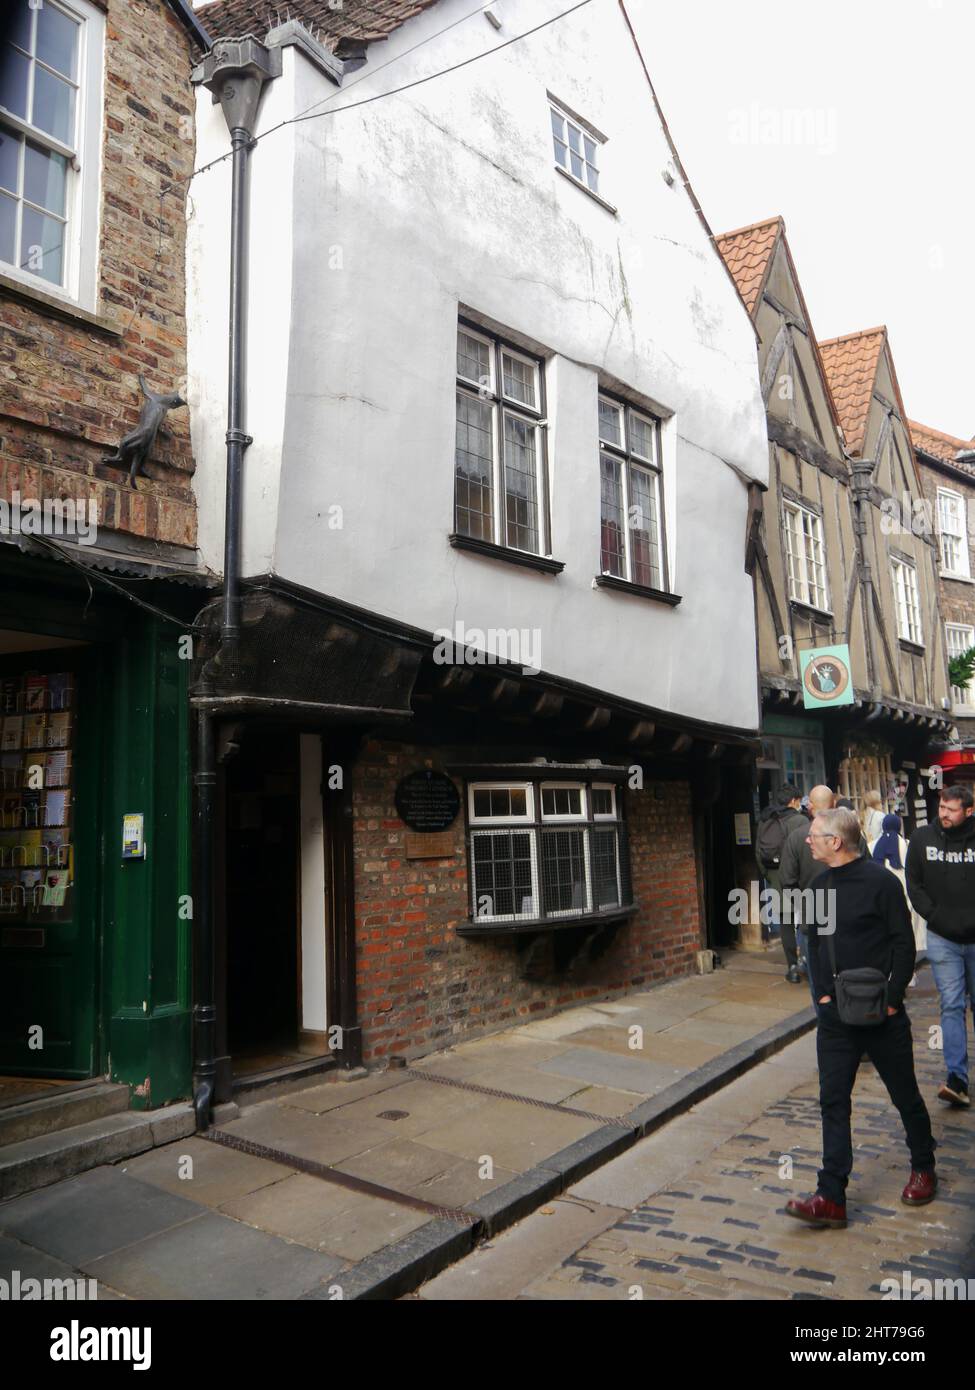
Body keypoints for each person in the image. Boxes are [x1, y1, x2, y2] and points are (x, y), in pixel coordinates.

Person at [785, 807, 936, 1228]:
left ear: (836, 842)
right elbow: (814, 949)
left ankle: (923, 1166)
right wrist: (823, 1000)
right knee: (833, 1101)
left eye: (815, 834)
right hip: (836, 1020)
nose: (808, 839)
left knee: (905, 1094)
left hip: (882, 1014)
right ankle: (831, 1195)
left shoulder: (882, 884)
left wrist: (891, 999)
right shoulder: (817, 886)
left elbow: (903, 944)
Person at [905, 784, 975, 1108]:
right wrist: (935, 916)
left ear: (969, 811)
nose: (943, 814)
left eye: (951, 810)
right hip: (942, 938)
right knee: (951, 1004)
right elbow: (914, 884)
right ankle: (957, 1078)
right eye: (942, 808)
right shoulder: (921, 839)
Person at [780, 784, 838, 996]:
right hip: (846, 918)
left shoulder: (796, 838)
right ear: (833, 804)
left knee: (818, 985)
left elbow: (787, 880)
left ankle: (827, 1025)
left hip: (810, 919)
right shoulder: (850, 833)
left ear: (810, 807)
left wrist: (804, 908)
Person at [755, 783, 808, 982]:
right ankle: (806, 961)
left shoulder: (765, 820)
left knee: (785, 923)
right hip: (800, 877)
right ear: (794, 801)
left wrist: (768, 875)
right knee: (806, 920)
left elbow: (759, 853)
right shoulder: (800, 820)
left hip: (776, 877)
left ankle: (792, 967)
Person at [870, 812, 925, 961]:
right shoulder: (907, 844)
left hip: (879, 895)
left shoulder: (872, 845)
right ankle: (908, 971)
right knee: (906, 933)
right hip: (904, 895)